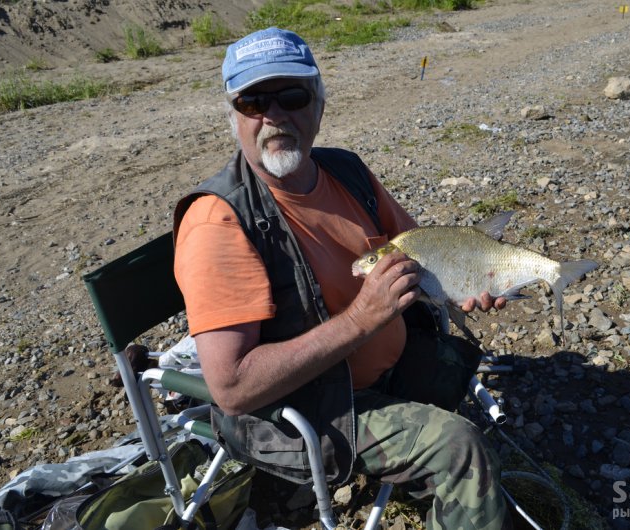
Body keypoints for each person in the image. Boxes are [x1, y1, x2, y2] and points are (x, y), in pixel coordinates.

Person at [173, 27, 511, 529]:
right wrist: (361, 321)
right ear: (233, 116)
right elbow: (232, 388)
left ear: (319, 103)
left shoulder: (344, 171)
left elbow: (425, 251)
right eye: (253, 101)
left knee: (461, 376)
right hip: (307, 410)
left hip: (381, 375)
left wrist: (467, 279)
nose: (274, 115)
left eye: (292, 96)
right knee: (462, 451)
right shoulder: (220, 223)